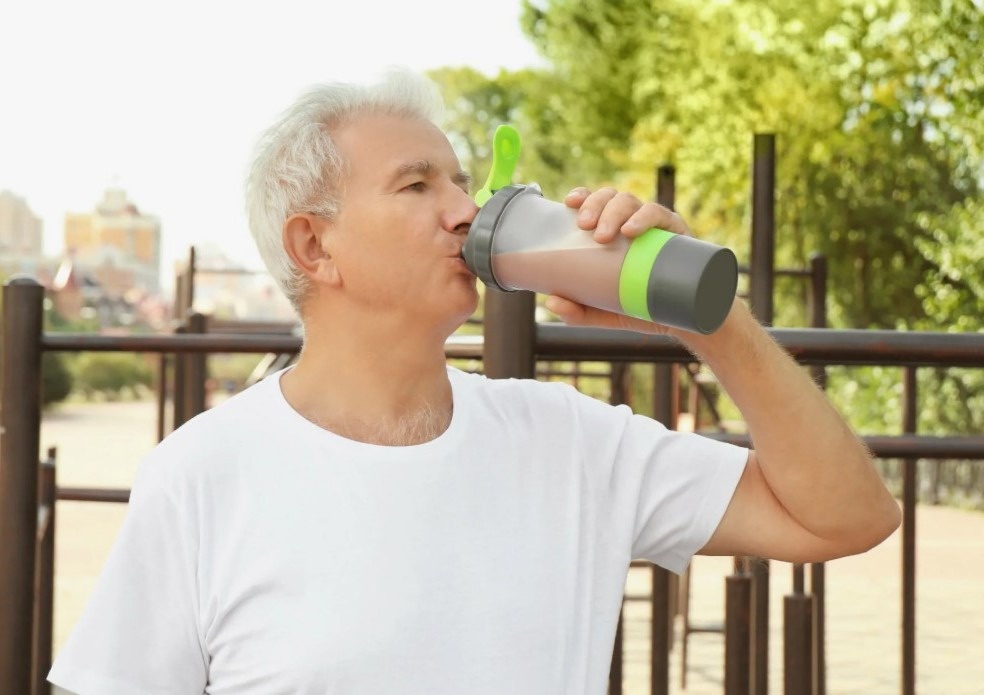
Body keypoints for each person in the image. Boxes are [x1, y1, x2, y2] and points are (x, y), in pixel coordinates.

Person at [48, 68, 900, 694]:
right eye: (417, 184)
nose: (463, 207)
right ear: (314, 246)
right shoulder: (202, 473)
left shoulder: (570, 439)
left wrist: (709, 321)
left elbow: (849, 516)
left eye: (459, 178)